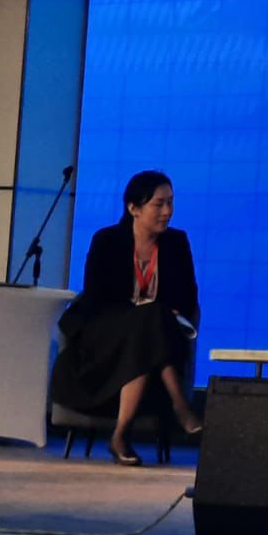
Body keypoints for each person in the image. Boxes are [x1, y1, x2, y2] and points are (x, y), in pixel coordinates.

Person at [51, 171, 202, 466]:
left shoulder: (176, 242)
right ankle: (181, 406)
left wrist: (159, 312)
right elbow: (97, 294)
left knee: (149, 326)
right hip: (105, 336)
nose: (167, 211)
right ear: (134, 208)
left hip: (154, 336)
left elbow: (187, 296)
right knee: (147, 321)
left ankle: (120, 436)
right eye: (158, 204)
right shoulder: (107, 240)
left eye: (170, 203)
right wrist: (142, 311)